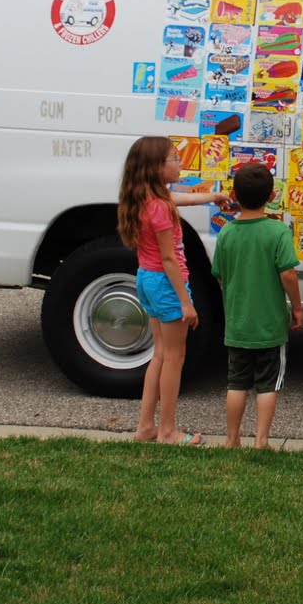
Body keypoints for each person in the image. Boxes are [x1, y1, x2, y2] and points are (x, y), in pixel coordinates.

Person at [117, 135, 229, 445]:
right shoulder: (161, 209)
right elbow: (169, 259)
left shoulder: (146, 199)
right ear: (156, 167)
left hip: (146, 279)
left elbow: (182, 200)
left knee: (160, 355)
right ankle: (167, 430)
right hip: (167, 284)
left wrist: (212, 197)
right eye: (174, 159)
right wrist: (186, 303)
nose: (181, 163)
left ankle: (145, 427)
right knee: (174, 358)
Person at [211, 162, 303, 449]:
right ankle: (261, 440)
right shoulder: (277, 232)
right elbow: (287, 274)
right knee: (267, 383)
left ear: (234, 194)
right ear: (272, 195)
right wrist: (297, 308)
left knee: (236, 383)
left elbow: (220, 276)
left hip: (238, 325)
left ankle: (231, 438)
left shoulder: (226, 233)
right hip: (270, 326)